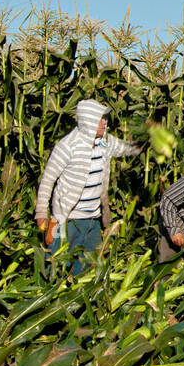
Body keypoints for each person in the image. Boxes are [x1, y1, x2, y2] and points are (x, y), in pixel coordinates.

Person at [34, 99, 142, 276]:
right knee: (56, 267)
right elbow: (47, 180)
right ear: (88, 121)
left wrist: (148, 144)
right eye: (100, 119)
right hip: (67, 220)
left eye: (105, 118)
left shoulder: (104, 143)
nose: (104, 122)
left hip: (92, 220)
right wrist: (41, 214)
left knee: (89, 270)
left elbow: (126, 149)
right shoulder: (67, 146)